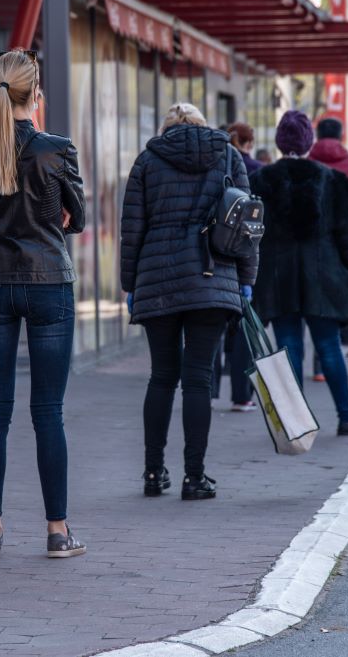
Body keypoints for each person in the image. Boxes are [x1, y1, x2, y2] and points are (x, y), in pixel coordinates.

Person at [0, 49, 87, 559]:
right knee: (48, 411)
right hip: (49, 280)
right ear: (35, 95)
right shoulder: (57, 149)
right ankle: (57, 532)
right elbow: (77, 217)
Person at [121, 103, 257, 501]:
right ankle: (194, 477)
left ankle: (152, 472)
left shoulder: (148, 160)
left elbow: (132, 230)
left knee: (162, 376)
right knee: (199, 377)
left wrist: (131, 285)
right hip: (212, 278)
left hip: (157, 279)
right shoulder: (229, 155)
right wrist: (245, 281)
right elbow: (247, 222)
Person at [250, 111, 348, 436]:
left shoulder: (261, 181)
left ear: (280, 142)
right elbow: (346, 238)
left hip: (278, 277)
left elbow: (250, 238)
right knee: (329, 346)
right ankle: (346, 417)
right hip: (323, 275)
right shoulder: (330, 180)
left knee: (289, 345)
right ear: (309, 142)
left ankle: (296, 424)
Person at [212, 121, 259, 410]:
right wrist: (249, 277)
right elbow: (253, 227)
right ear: (248, 141)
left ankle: (207, 389)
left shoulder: (213, 167)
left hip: (210, 258)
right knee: (242, 330)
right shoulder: (252, 169)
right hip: (237, 260)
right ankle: (241, 395)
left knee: (209, 332)